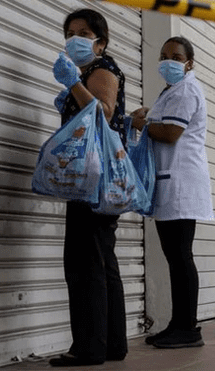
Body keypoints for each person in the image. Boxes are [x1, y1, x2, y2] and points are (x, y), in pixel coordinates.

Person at [48, 8, 128, 367]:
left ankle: (89, 347)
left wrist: (74, 86)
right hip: (97, 176)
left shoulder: (102, 70)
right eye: (70, 31)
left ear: (101, 41)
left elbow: (104, 112)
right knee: (100, 259)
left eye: (83, 32)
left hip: (91, 177)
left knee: (84, 263)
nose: (74, 37)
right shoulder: (92, 72)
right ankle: (111, 343)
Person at [130, 36, 214, 349]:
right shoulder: (175, 90)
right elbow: (166, 122)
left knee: (180, 257)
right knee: (175, 257)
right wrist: (150, 115)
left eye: (176, 56)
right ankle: (178, 324)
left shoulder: (187, 88)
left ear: (189, 62)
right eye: (164, 55)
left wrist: (140, 121)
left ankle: (188, 329)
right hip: (172, 181)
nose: (169, 61)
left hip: (180, 182)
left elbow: (170, 133)